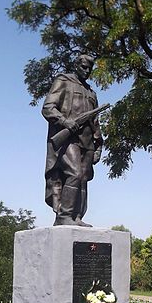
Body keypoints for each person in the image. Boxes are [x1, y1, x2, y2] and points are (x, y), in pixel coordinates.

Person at [42, 54, 103, 226]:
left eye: (90, 68)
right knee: (74, 173)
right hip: (69, 139)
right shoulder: (63, 81)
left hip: (88, 141)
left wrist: (98, 146)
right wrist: (64, 121)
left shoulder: (91, 93)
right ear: (76, 65)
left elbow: (95, 122)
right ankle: (64, 216)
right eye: (84, 66)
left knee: (83, 178)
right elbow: (48, 107)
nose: (87, 70)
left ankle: (77, 217)